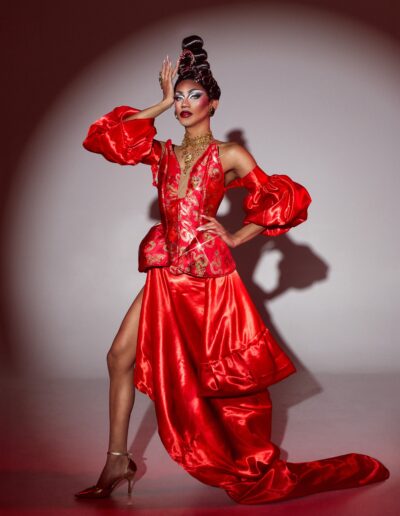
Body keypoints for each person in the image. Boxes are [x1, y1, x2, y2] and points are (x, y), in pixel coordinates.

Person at [75, 34, 389, 503]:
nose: (183, 104)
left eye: (191, 96)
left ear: (213, 103)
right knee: (119, 356)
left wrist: (237, 236)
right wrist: (159, 103)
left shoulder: (230, 156)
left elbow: (284, 199)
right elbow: (104, 136)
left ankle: (237, 455)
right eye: (177, 96)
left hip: (209, 284)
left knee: (222, 380)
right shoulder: (161, 153)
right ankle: (118, 459)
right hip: (165, 274)